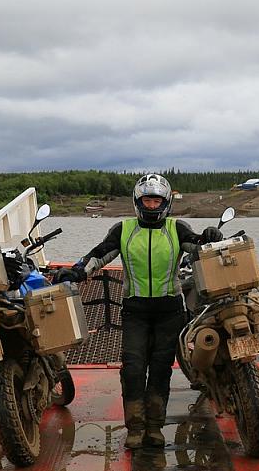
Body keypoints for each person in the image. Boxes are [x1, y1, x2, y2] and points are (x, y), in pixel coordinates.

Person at [54, 174, 223, 449]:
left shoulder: (176, 228)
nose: (152, 204)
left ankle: (155, 427)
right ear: (138, 201)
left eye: (157, 199)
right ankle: (135, 428)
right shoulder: (123, 229)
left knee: (160, 369)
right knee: (133, 368)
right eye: (147, 199)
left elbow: (197, 246)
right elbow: (99, 255)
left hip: (170, 309)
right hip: (135, 309)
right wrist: (75, 271)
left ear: (166, 202)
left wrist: (209, 237)